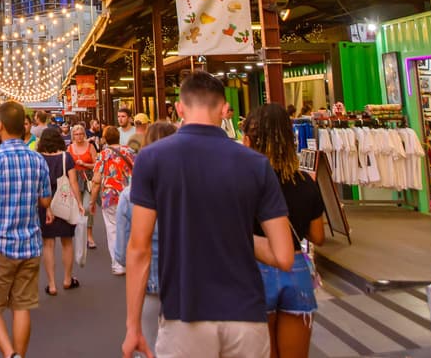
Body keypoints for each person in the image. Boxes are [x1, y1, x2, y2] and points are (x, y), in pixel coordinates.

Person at [122, 73, 294, 358]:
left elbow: (139, 249)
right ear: (224, 108)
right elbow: (284, 256)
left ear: (179, 108)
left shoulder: (152, 159)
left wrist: (133, 327)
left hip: (184, 316)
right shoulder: (256, 164)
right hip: (247, 316)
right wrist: (234, 235)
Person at [243, 105, 325, 358]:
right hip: (296, 272)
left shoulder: (241, 182)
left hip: (252, 271)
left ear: (248, 140)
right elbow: (318, 237)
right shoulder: (304, 181)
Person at [0, 100, 52, 358]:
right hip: (30, 242)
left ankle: (9, 354)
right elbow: (45, 200)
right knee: (22, 307)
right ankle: (19, 354)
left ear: (1, 126)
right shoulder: (37, 159)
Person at [115, 121, 178, 354]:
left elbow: (122, 255)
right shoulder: (194, 190)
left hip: (149, 289)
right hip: (188, 287)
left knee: (149, 348)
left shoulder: (129, 195)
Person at [37, 127, 83, 295]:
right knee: (67, 242)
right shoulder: (66, 157)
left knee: (48, 244)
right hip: (64, 202)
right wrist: (79, 202)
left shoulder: (38, 158)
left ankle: (51, 284)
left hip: (45, 203)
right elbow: (73, 182)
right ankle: (67, 279)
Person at [89, 126, 134, 274]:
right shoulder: (129, 151)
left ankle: (118, 264)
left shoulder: (103, 155)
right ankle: (131, 262)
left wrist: (92, 201)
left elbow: (96, 180)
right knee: (129, 229)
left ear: (105, 138)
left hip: (111, 196)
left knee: (113, 229)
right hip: (131, 195)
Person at [68, 124, 99, 249]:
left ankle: (90, 234)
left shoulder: (90, 146)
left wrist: (85, 164)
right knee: (76, 208)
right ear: (73, 136)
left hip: (88, 179)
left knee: (87, 206)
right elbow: (66, 164)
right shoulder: (69, 148)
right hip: (74, 179)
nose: (79, 136)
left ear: (84, 135)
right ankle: (80, 234)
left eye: (81, 134)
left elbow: (97, 164)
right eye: (76, 134)